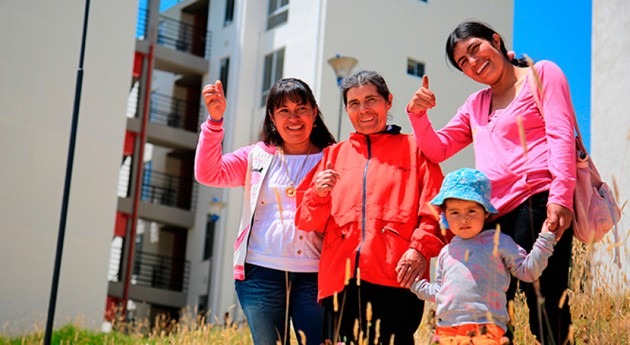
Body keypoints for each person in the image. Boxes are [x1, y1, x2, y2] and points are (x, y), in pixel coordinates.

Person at [406, 21, 576, 344]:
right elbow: (438, 148)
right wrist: (418, 115)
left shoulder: (542, 74)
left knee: (547, 310)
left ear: (495, 41)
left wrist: (561, 197)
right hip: (492, 218)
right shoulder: (475, 104)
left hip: (537, 204)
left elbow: (561, 134)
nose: (473, 62)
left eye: (475, 49)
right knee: (492, 318)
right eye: (463, 62)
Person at [296, 70, 449, 345]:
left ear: (388, 101)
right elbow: (306, 221)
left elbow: (437, 209)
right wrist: (318, 194)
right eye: (354, 103)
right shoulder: (333, 154)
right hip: (339, 283)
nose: (363, 109)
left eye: (370, 100)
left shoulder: (415, 149)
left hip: (398, 279)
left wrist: (419, 250)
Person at [194, 77, 336, 345]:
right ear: (272, 116)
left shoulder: (334, 157)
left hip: (316, 276)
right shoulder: (255, 157)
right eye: (283, 110)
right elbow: (207, 173)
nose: (293, 118)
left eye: (301, 109)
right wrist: (214, 123)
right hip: (260, 273)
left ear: (314, 113)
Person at [411, 168, 557, 345]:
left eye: (471, 211)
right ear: (445, 216)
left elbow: (528, 271)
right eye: (455, 212)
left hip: (486, 328)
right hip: (446, 330)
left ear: (486, 212)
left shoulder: (498, 242)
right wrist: (414, 284)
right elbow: (440, 292)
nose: (463, 219)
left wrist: (545, 239)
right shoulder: (446, 252)